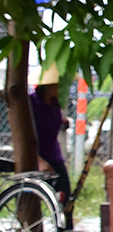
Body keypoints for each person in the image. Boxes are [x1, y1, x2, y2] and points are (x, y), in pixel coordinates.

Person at [28, 74, 70, 204]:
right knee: (34, 200)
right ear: (47, 86)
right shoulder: (31, 104)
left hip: (54, 156)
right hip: (36, 158)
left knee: (65, 198)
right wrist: (38, 160)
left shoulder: (54, 103)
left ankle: (64, 224)